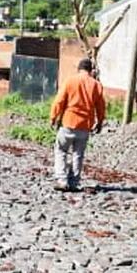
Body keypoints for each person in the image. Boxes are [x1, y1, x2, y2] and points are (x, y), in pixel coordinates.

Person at [49, 57, 105, 192]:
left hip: (68, 122)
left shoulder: (70, 81)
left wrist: (53, 117)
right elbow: (101, 106)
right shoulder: (96, 85)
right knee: (78, 154)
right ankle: (74, 182)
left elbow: (59, 101)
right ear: (91, 70)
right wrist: (100, 122)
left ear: (78, 69)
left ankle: (62, 180)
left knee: (61, 150)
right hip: (85, 125)